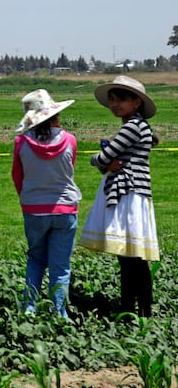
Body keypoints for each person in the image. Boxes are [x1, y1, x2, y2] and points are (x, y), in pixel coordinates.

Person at [79, 76, 160, 317]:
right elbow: (111, 161)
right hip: (134, 192)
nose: (115, 104)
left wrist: (99, 160)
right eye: (112, 100)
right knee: (131, 257)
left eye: (121, 99)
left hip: (128, 193)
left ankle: (135, 311)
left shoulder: (132, 127)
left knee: (130, 258)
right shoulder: (138, 126)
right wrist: (108, 162)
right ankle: (138, 311)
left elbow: (104, 158)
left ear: (137, 102)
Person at [12, 89, 80, 317]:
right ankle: (58, 312)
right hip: (65, 208)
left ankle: (29, 309)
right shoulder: (70, 140)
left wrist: (28, 198)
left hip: (34, 209)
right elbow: (69, 171)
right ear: (56, 115)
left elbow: (17, 177)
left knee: (35, 258)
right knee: (60, 265)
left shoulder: (21, 142)